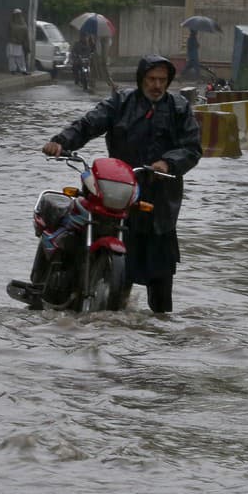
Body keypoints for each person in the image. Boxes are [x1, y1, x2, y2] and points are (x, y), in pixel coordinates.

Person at [41, 55, 202, 313]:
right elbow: (88, 124)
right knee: (93, 241)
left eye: (162, 80)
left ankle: (160, 330)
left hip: (159, 201)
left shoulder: (179, 108)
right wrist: (61, 142)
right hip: (116, 193)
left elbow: (192, 148)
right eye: (151, 79)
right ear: (141, 80)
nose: (157, 85)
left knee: (161, 278)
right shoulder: (120, 102)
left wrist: (168, 164)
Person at [7, 9, 29, 75]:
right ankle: (14, 70)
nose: (18, 16)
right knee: (12, 57)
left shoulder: (21, 23)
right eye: (16, 14)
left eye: (18, 14)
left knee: (19, 58)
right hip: (13, 43)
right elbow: (8, 32)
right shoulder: (12, 23)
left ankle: (22, 70)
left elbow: (26, 34)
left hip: (18, 43)